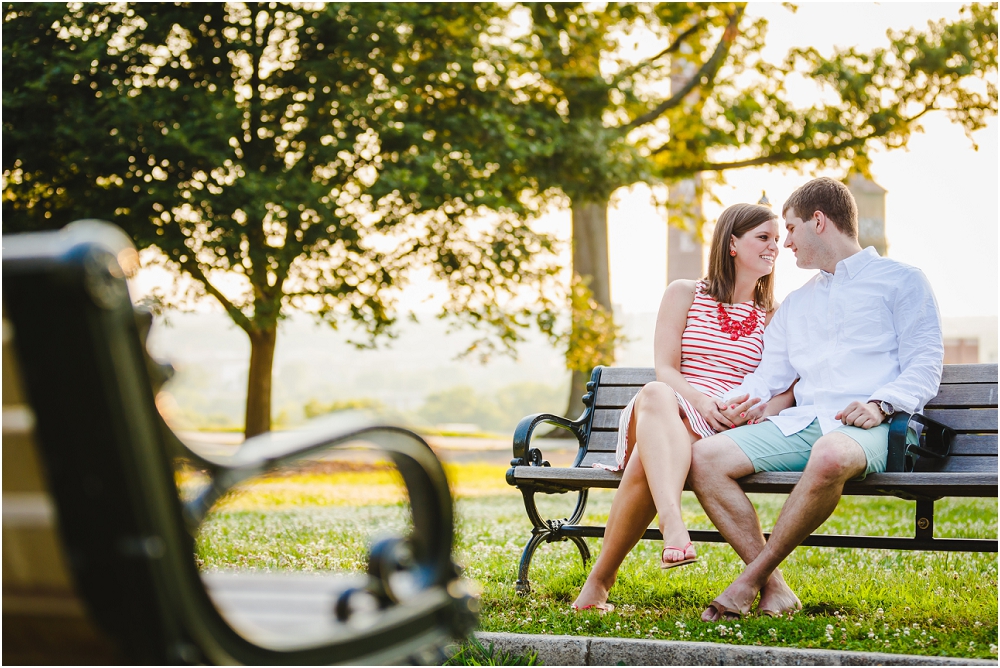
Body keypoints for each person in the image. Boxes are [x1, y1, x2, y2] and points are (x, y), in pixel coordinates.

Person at [690, 177, 943, 621]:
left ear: (819, 221)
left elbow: (925, 364)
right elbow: (769, 375)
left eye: (790, 229)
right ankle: (775, 587)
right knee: (705, 458)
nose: (784, 243)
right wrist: (728, 401)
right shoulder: (797, 303)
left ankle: (747, 581)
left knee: (829, 453)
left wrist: (881, 404)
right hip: (804, 423)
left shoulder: (902, 281)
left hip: (876, 426)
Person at [572, 202, 796, 613]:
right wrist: (700, 401)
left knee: (647, 458)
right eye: (763, 238)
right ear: (732, 243)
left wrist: (761, 411)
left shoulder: (774, 316)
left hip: (725, 425)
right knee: (656, 392)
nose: (774, 248)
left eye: (777, 240)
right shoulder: (684, 293)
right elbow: (665, 368)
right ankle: (672, 521)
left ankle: (599, 584)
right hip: (677, 403)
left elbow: (789, 387)